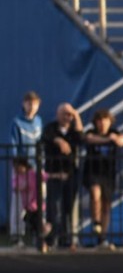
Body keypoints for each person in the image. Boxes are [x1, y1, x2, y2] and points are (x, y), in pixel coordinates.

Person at [82, 109, 123, 249]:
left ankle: (102, 236)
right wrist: (109, 139)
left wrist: (121, 140)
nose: (103, 124)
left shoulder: (114, 132)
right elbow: (89, 138)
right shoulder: (92, 133)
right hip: (93, 172)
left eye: (105, 121)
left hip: (108, 174)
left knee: (106, 205)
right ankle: (96, 222)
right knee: (95, 194)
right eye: (100, 121)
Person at [41, 103, 83, 250]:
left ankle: (67, 239)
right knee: (54, 209)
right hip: (54, 175)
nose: (67, 116)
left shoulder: (73, 131)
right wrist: (58, 140)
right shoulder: (51, 128)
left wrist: (77, 116)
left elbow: (80, 138)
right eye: (64, 113)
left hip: (70, 175)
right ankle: (53, 239)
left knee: (68, 209)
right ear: (58, 114)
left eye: (69, 114)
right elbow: (45, 136)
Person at [9, 91, 43, 247]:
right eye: (28, 103)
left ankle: (38, 232)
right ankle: (18, 236)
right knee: (18, 203)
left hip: (36, 169)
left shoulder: (38, 122)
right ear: (24, 104)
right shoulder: (16, 122)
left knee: (38, 202)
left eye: (34, 104)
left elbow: (40, 144)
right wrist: (17, 163)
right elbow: (13, 144)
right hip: (21, 169)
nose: (31, 107)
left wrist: (40, 165)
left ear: (38, 105)